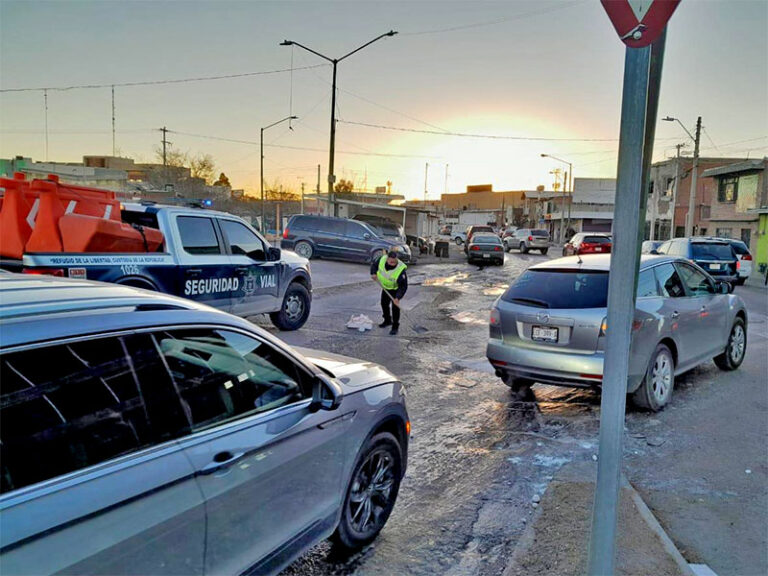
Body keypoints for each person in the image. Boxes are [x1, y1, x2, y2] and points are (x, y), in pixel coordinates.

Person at [370, 250, 408, 335]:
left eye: (394, 262)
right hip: (385, 288)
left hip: (395, 289)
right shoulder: (381, 259)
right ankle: (387, 320)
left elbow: (403, 286)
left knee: (395, 308)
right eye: (390, 262)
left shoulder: (401, 270)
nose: (392, 264)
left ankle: (395, 326)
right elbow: (374, 265)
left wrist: (397, 297)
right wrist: (373, 273)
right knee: (384, 304)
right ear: (387, 259)